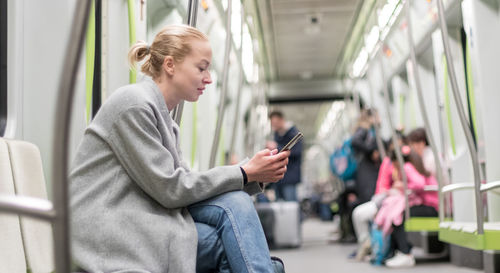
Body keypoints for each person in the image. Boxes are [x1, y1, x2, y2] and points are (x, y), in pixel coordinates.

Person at [70, 25, 290, 273]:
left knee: (235, 206)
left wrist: (253, 174)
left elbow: (186, 188)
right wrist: (244, 172)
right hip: (111, 231)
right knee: (229, 245)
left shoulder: (166, 122)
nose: (208, 78)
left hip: (144, 219)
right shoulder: (133, 105)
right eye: (201, 68)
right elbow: (172, 189)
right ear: (170, 65)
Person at [374, 146, 438, 268]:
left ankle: (405, 253)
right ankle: (401, 250)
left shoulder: (407, 167)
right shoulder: (414, 166)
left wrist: (403, 185)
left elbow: (420, 184)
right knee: (397, 214)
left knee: (398, 215)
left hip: (430, 206)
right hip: (430, 205)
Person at [269, 110, 303, 202]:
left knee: (291, 206)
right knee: (281, 209)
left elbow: (296, 152)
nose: (274, 125)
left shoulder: (294, 133)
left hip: (290, 178)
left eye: (275, 123)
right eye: (272, 123)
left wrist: (276, 146)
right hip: (278, 178)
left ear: (282, 120)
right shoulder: (277, 135)